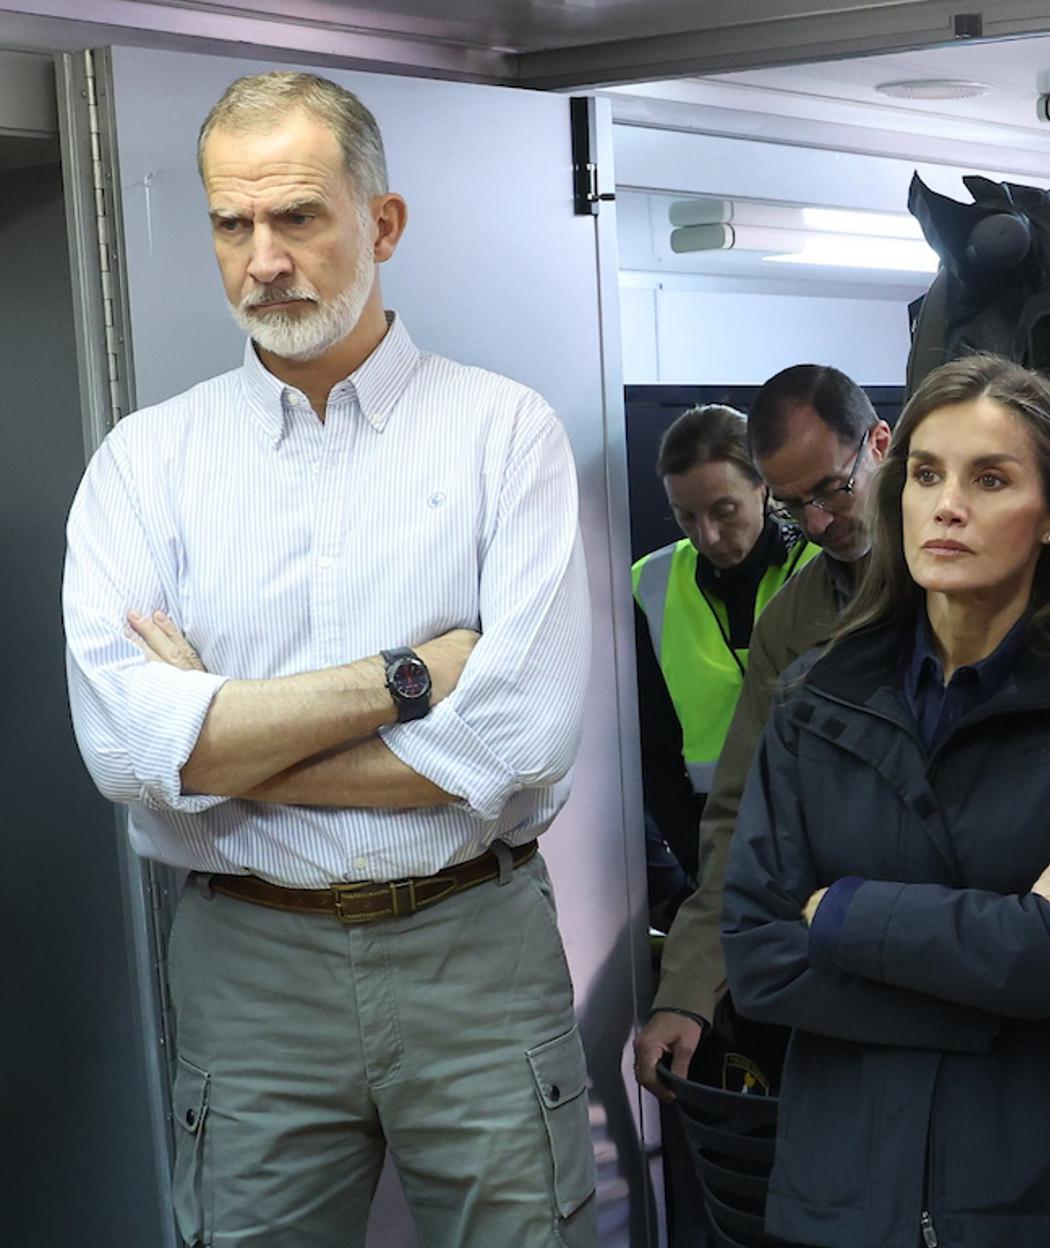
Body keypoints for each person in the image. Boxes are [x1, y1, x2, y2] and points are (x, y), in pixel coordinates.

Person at [62, 72, 597, 1248]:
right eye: (231, 223)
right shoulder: (145, 466)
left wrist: (215, 741)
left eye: (298, 216)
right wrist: (406, 681)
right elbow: (121, 749)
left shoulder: (506, 435)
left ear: (382, 223)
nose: (263, 260)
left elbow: (515, 743)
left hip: (474, 950)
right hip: (248, 962)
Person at [722, 354, 1050, 1248]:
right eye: (927, 474)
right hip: (842, 1197)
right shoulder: (818, 695)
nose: (947, 505)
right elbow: (760, 957)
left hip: (1045, 1196)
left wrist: (844, 912)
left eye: (992, 478)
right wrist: (1007, 948)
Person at [634, 366, 890, 1092]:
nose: (814, 523)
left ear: (880, 445)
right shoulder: (792, 620)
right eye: (792, 503)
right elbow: (739, 813)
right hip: (837, 947)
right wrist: (686, 988)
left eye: (829, 492)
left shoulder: (966, 572)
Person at [632, 403, 816, 926]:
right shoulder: (650, 583)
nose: (706, 536)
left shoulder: (826, 569)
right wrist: (700, 868)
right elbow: (654, 750)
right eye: (685, 515)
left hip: (822, 824)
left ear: (764, 487)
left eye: (723, 511)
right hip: (710, 830)